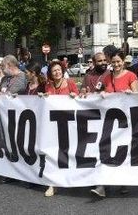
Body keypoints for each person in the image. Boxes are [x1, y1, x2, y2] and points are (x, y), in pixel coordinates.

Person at [90, 50, 138, 199]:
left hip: (126, 122)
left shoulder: (131, 76)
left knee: (122, 151)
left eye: (119, 62)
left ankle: (123, 181)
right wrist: (101, 95)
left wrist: (131, 93)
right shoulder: (107, 78)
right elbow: (99, 94)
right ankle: (102, 185)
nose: (116, 64)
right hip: (110, 122)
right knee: (105, 151)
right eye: (114, 62)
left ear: (123, 62)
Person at [42, 60, 79, 197]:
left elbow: (80, 99)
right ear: (50, 74)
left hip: (70, 123)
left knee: (71, 152)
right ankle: (53, 184)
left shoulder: (70, 83)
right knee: (53, 153)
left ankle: (74, 180)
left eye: (58, 70)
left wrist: (75, 96)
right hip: (53, 124)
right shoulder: (48, 85)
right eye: (54, 71)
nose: (57, 72)